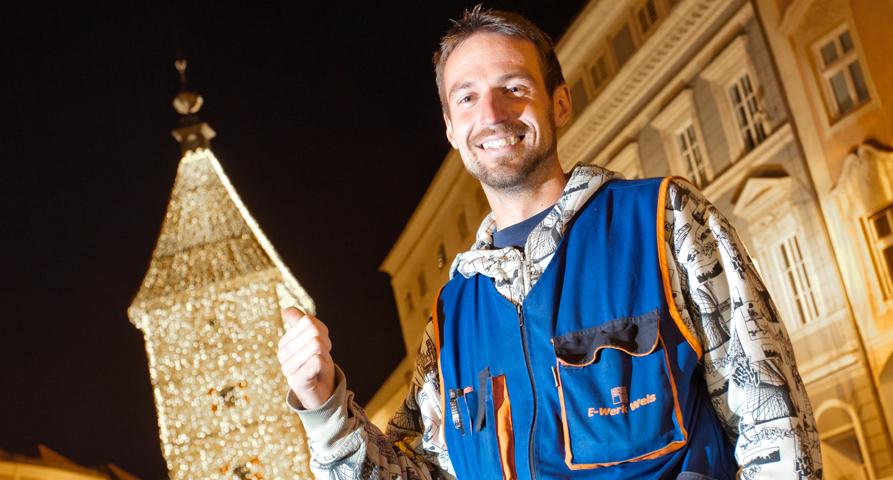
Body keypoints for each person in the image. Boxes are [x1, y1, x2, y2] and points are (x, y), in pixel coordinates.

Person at [277, 6, 822, 480]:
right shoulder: (451, 315)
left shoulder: (665, 220)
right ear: (451, 130)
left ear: (559, 105)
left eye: (514, 87)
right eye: (466, 98)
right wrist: (324, 404)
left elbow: (774, 425)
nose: (491, 114)